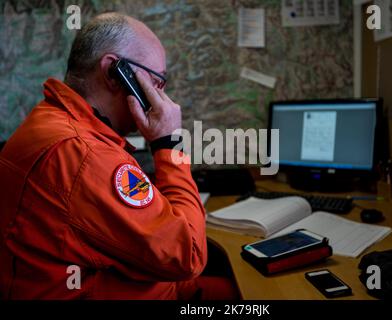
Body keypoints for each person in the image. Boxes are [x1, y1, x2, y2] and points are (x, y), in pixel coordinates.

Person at [0, 12, 238, 300]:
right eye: (156, 81)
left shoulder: (52, 119)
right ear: (115, 73)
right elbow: (189, 255)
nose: (161, 97)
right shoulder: (84, 154)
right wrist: (168, 142)